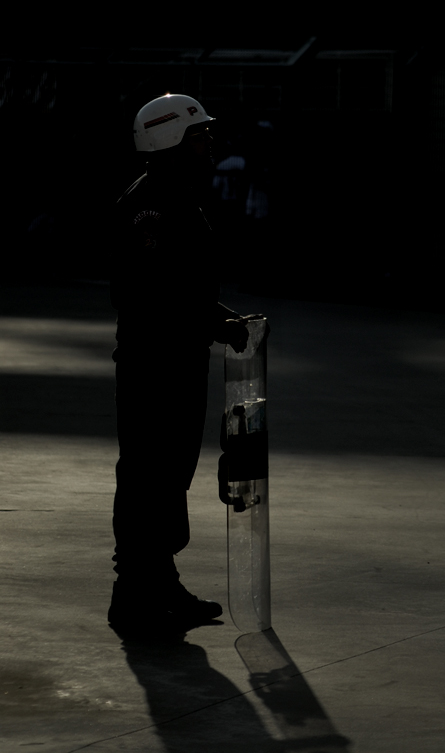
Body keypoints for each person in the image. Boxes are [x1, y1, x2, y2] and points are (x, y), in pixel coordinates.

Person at [108, 93, 253, 636]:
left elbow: (180, 288)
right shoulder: (148, 206)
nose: (210, 142)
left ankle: (160, 584)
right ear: (170, 140)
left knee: (169, 477)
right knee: (146, 476)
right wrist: (212, 322)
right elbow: (146, 294)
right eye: (200, 135)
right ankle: (131, 596)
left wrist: (220, 318)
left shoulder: (178, 197)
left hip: (179, 362)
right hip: (154, 368)